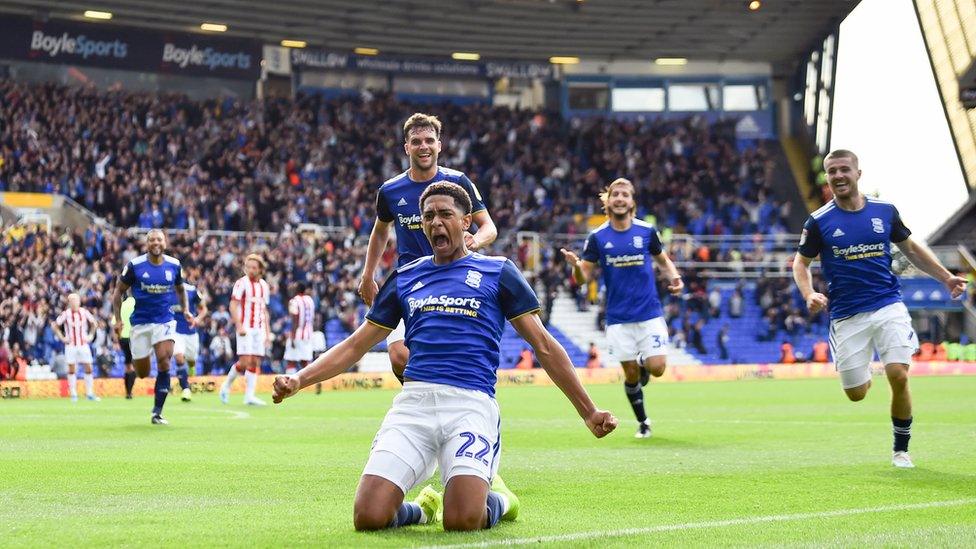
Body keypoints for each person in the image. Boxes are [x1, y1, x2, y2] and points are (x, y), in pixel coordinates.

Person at [273, 182, 617, 532]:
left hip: (470, 404)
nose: (436, 222)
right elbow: (356, 345)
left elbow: (544, 345)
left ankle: (501, 499)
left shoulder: (498, 272)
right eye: (428, 216)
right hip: (414, 405)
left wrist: (588, 411)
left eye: (445, 214)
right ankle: (422, 509)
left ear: (467, 221)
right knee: (368, 516)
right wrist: (300, 379)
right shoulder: (406, 276)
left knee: (463, 520)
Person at [792, 149, 967, 468]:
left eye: (844, 169)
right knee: (856, 393)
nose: (838, 176)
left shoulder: (885, 212)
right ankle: (865, 371)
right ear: (828, 178)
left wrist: (946, 278)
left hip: (888, 305)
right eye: (832, 172)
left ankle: (901, 450)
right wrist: (809, 294)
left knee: (899, 375)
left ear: (858, 173)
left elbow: (911, 248)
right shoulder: (819, 221)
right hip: (847, 315)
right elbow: (800, 263)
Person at [358, 113, 497, 382]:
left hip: (452, 279)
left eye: (429, 140)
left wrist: (475, 240)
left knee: (448, 353)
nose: (424, 146)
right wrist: (367, 274)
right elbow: (380, 231)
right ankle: (425, 394)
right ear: (406, 147)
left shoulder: (458, 183)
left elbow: (489, 227)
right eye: (417, 141)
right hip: (411, 280)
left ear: (439, 145)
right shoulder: (391, 190)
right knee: (399, 356)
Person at [561, 178, 683, 438]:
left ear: (631, 201)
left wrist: (674, 276)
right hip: (617, 317)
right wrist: (575, 266)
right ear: (608, 200)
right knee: (630, 375)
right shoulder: (597, 237)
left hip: (649, 312)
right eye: (615, 194)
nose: (619, 198)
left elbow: (663, 260)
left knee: (657, 368)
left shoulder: (646, 231)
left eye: (624, 194)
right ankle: (644, 423)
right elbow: (583, 277)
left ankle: (642, 361)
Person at [112, 229, 194, 425]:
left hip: (164, 321)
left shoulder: (174, 265)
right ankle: (145, 369)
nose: (156, 243)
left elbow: (181, 289)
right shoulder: (135, 265)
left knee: (165, 361)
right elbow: (118, 292)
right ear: (146, 244)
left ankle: (157, 412)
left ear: (165, 243)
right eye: (152, 240)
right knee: (142, 372)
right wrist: (118, 320)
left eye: (159, 239)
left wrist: (185, 310)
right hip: (140, 323)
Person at [220, 254, 272, 406]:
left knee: (255, 362)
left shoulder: (264, 286)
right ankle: (226, 386)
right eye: (248, 267)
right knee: (244, 361)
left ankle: (249, 396)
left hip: (259, 328)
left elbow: (264, 310)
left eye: (254, 267)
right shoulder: (241, 283)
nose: (250, 270)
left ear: (260, 269)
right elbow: (233, 305)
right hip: (245, 327)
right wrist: (239, 325)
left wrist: (267, 333)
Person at [52, 293, 100, 402]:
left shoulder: (84, 312)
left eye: (76, 300)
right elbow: (55, 325)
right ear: (69, 303)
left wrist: (91, 335)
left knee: (89, 367)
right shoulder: (66, 314)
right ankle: (73, 394)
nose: (74, 303)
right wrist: (63, 338)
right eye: (72, 301)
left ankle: (89, 393)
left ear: (79, 302)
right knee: (72, 369)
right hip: (71, 345)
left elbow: (94, 323)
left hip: (83, 344)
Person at [171, 280, 208, 402]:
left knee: (191, 360)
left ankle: (191, 366)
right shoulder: (164, 291)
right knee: (179, 357)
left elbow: (203, 309)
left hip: (190, 332)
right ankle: (185, 389)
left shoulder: (191, 290)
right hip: (175, 332)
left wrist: (197, 319)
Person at [284, 282, 315, 375]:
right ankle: (312, 382)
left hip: (297, 334)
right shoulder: (310, 300)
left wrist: (292, 336)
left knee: (291, 361)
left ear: (297, 289)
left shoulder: (294, 301)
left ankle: (288, 384)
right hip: (308, 334)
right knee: (305, 361)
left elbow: (295, 319)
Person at [117, 294, 136, 398]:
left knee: (128, 364)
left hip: (124, 337)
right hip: (135, 336)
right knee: (134, 365)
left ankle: (128, 392)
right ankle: (130, 391)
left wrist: (117, 339)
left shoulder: (122, 305)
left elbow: (116, 324)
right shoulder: (138, 303)